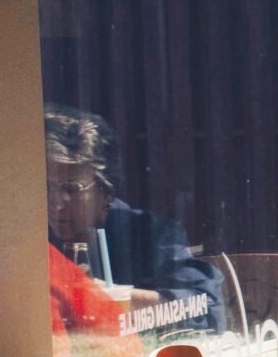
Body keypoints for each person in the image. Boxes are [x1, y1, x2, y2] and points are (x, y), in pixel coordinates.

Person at [44, 106, 224, 327]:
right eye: (46, 187)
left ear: (106, 192)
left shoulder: (150, 235)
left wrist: (109, 298)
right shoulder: (32, 240)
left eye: (71, 188)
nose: (56, 203)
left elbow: (209, 311)